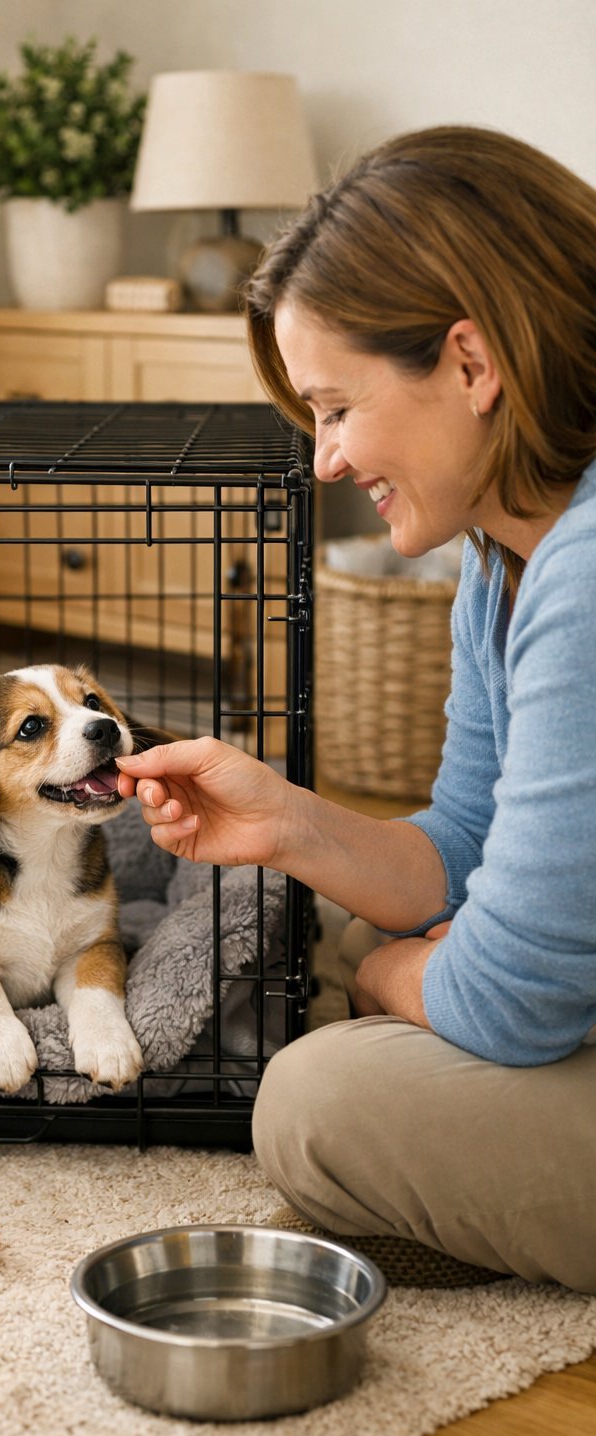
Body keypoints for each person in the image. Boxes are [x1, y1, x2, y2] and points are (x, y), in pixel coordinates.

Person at [115, 125, 596, 1294]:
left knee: (316, 1095)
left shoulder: (582, 573)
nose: (324, 460)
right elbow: (467, 845)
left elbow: (499, 996)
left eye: (334, 408)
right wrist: (284, 822)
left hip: (536, 1002)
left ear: (471, 364)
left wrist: (395, 980)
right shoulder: (500, 562)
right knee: (341, 935)